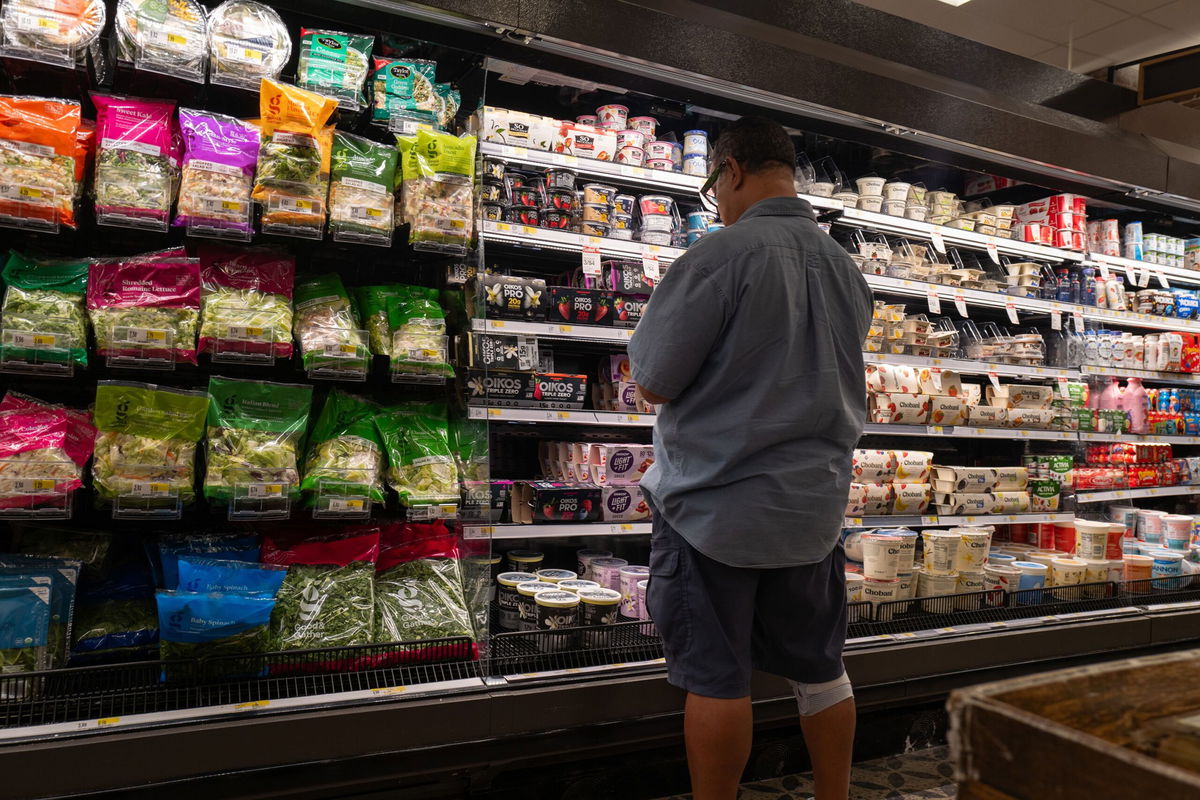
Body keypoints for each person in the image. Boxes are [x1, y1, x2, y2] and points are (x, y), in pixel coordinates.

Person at [628, 116, 873, 800]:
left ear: (731, 172)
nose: (719, 203)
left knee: (717, 677)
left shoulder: (718, 257)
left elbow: (653, 380)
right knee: (822, 670)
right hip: (813, 512)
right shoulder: (844, 268)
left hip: (716, 511)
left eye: (715, 189)